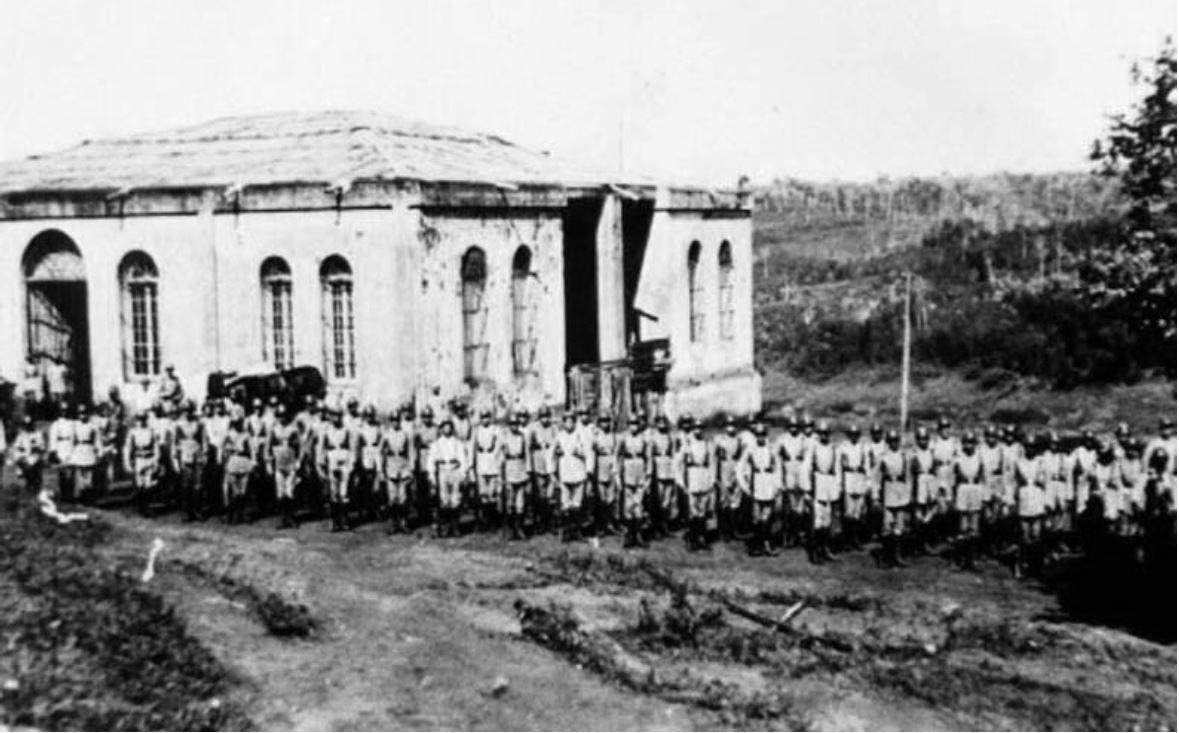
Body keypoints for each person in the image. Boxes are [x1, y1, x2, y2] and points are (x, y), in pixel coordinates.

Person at [738, 420, 780, 557]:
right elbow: (740, 468)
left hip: (768, 483)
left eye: (763, 435)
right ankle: (755, 545)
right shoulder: (750, 450)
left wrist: (777, 485)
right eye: (758, 435)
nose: (760, 438)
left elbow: (778, 468)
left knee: (767, 517)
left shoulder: (771, 449)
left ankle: (766, 544)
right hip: (756, 484)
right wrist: (745, 486)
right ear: (755, 436)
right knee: (756, 518)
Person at [677, 416, 714, 551]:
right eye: (695, 428)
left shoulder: (707, 444)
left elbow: (711, 464)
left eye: (700, 428)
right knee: (693, 510)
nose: (698, 430)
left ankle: (701, 537)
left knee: (702, 510)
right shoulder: (687, 445)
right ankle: (692, 538)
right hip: (692, 477)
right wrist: (681, 481)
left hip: (703, 477)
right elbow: (678, 463)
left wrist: (711, 480)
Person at [551, 412, 589, 542]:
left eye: (571, 421)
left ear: (575, 422)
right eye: (566, 421)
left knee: (577, 504)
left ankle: (577, 532)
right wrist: (552, 473)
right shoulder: (560, 436)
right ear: (563, 422)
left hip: (578, 472)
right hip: (565, 473)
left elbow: (588, 452)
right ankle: (566, 532)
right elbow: (551, 453)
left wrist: (580, 452)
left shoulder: (580, 434)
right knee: (565, 504)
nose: (569, 424)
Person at [1012, 433, 1044, 578]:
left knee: (1036, 535)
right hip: (1024, 499)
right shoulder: (1018, 462)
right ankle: (1020, 563)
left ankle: (1034, 565)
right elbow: (1012, 482)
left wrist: (1047, 502)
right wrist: (1011, 499)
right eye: (1028, 447)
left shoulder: (1041, 462)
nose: (1030, 450)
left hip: (1037, 499)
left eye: (1033, 447)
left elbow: (1046, 482)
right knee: (1024, 535)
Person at [429, 418, 468, 538]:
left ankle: (455, 526)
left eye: (449, 426)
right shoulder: (436, 444)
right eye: (444, 426)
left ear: (452, 428)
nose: (447, 429)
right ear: (441, 429)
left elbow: (463, 460)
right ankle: (445, 527)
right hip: (442, 470)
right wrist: (432, 476)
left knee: (455, 500)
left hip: (454, 469)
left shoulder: (458, 443)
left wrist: (462, 474)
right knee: (444, 500)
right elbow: (431, 461)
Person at [807, 421, 840, 564]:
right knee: (817, 521)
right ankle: (815, 552)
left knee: (827, 521)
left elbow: (837, 470)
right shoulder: (813, 448)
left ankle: (825, 549)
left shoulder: (833, 448)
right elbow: (806, 468)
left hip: (829, 486)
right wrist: (808, 489)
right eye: (821, 434)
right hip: (818, 484)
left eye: (826, 433)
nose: (824, 436)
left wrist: (838, 488)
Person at [318, 408, 355, 532]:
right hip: (332, 459)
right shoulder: (326, 429)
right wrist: (320, 463)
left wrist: (352, 463)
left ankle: (344, 519)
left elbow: (352, 447)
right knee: (333, 493)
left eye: (338, 415)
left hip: (344, 460)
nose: (336, 418)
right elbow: (321, 447)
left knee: (344, 493)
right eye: (333, 415)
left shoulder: (346, 429)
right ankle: (334, 521)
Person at [952, 431, 985, 570]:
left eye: (971, 443)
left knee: (974, 527)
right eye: (966, 443)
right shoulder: (958, 458)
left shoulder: (979, 457)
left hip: (976, 489)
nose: (969, 446)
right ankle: (959, 559)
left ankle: (973, 560)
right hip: (962, 489)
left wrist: (984, 496)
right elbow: (952, 479)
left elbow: (983, 478)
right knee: (963, 527)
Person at [877, 429, 910, 568]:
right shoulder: (883, 457)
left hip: (900, 490)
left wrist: (908, 495)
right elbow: (876, 477)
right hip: (888, 489)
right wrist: (875, 495)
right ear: (888, 442)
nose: (894, 444)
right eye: (891, 441)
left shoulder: (904, 456)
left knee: (899, 527)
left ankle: (898, 556)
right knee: (887, 526)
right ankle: (886, 557)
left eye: (896, 441)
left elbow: (908, 477)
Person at [379, 407, 415, 535]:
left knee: (403, 498)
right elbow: (380, 452)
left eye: (397, 420)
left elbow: (411, 452)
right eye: (393, 420)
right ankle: (394, 524)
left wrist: (411, 469)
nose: (395, 422)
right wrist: (381, 470)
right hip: (391, 466)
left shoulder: (405, 434)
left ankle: (404, 523)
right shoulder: (386, 434)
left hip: (403, 465)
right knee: (392, 498)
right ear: (390, 421)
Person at [619, 414, 651, 549]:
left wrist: (648, 474)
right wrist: (617, 475)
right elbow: (617, 456)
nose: (634, 426)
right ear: (628, 425)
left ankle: (638, 535)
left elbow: (648, 457)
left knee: (639, 505)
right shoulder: (623, 438)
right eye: (631, 424)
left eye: (636, 424)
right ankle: (629, 535)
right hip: (627, 470)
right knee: (628, 506)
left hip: (640, 470)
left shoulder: (644, 439)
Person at [778, 416, 810, 549]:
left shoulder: (804, 440)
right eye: (791, 426)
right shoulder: (783, 439)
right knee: (788, 510)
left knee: (800, 509)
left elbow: (808, 460)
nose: (794, 429)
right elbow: (777, 459)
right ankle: (788, 536)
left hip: (801, 477)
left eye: (796, 426)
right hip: (788, 476)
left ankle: (798, 535)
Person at [269, 403, 302, 529]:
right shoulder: (274, 429)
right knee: (280, 492)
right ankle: (282, 518)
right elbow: (268, 445)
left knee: (290, 492)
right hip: (278, 462)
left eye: (284, 416)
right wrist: (268, 461)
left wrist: (299, 460)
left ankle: (291, 517)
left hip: (291, 462)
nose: (282, 418)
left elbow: (301, 446)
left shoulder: (293, 429)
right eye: (279, 416)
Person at [589, 412, 621, 537]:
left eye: (607, 421)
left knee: (611, 498)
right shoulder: (596, 435)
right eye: (602, 421)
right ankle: (600, 525)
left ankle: (609, 523)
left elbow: (616, 452)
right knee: (600, 498)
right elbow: (591, 450)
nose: (605, 424)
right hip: (600, 464)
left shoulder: (613, 436)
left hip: (611, 465)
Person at [501, 411, 532, 540]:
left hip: (520, 468)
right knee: (510, 502)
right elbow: (501, 456)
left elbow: (527, 454)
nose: (514, 426)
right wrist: (501, 474)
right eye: (512, 424)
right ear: (508, 425)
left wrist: (528, 471)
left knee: (521, 502)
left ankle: (519, 528)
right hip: (509, 468)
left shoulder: (522, 436)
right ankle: (510, 529)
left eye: (516, 424)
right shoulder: (504, 437)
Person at [839, 424, 870, 549]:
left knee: (858, 512)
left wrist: (868, 484)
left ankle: (856, 538)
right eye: (851, 434)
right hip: (848, 480)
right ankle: (847, 538)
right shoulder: (843, 447)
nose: (854, 437)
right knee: (848, 512)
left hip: (859, 480)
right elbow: (840, 466)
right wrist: (840, 484)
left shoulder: (863, 448)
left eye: (856, 434)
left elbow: (867, 467)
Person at [173, 401, 206, 521]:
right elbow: (175, 443)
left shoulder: (199, 424)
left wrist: (205, 453)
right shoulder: (179, 425)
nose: (187, 413)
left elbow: (203, 439)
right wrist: (175, 458)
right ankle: (186, 512)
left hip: (198, 454)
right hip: (185, 455)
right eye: (185, 410)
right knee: (186, 485)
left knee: (198, 485)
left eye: (189, 410)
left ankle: (197, 510)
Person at [713, 416, 744, 542]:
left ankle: (733, 529)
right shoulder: (720, 440)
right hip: (724, 469)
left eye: (733, 425)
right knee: (723, 501)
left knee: (735, 501)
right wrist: (716, 475)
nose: (731, 428)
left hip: (736, 470)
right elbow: (715, 458)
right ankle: (723, 530)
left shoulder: (739, 440)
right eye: (728, 425)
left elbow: (741, 459)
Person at [124, 411, 161, 516]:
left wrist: (156, 460)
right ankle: (142, 507)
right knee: (140, 485)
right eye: (139, 419)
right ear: (136, 420)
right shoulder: (133, 432)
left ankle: (147, 506)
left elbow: (156, 447)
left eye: (143, 419)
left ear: (146, 419)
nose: (141, 422)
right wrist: (127, 462)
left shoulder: (151, 431)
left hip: (149, 459)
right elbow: (128, 448)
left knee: (149, 486)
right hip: (139, 459)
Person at [930, 417, 959, 544]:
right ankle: (937, 535)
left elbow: (958, 457)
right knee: (938, 505)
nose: (945, 431)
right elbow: (929, 457)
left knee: (950, 505)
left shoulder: (954, 442)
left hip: (950, 472)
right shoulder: (935, 442)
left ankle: (949, 533)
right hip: (938, 472)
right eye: (943, 428)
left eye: (947, 428)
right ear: (939, 430)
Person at [472, 409, 503, 531]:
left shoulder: (496, 430)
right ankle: (484, 520)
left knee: (492, 494)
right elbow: (473, 448)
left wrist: (497, 460)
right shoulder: (477, 431)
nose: (485, 420)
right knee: (483, 494)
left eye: (487, 417)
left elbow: (499, 446)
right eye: (483, 417)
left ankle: (493, 521)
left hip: (492, 463)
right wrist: (472, 465)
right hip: (481, 463)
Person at [648, 415, 678, 539]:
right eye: (659, 422)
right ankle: (656, 528)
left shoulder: (671, 437)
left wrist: (675, 470)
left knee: (667, 500)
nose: (662, 425)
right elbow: (649, 455)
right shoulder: (652, 437)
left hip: (669, 468)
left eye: (664, 422)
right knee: (657, 500)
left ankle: (664, 526)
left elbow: (674, 453)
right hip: (658, 468)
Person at [222, 414, 254, 525]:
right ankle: (231, 514)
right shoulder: (228, 433)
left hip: (244, 460)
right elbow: (221, 446)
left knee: (243, 490)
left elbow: (252, 449)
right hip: (233, 460)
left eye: (239, 422)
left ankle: (241, 513)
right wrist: (224, 454)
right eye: (235, 423)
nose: (237, 425)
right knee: (234, 490)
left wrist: (253, 460)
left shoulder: (246, 435)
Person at [909, 426, 937, 554]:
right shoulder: (913, 454)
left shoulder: (931, 453)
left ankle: (926, 542)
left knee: (929, 515)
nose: (923, 442)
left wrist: (934, 489)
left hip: (929, 483)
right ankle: (916, 545)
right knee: (917, 516)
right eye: (920, 439)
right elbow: (910, 474)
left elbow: (934, 471)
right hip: (918, 483)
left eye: (925, 439)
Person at [529, 407, 557, 534]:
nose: (545, 419)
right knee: (540, 495)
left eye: (546, 416)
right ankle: (540, 522)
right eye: (542, 417)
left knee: (550, 495)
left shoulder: (554, 428)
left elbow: (558, 444)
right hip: (538, 462)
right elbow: (529, 446)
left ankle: (550, 523)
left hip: (551, 464)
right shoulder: (534, 428)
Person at [354, 405, 383, 524]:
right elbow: (357, 444)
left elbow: (381, 441)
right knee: (364, 483)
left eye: (371, 416)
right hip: (365, 452)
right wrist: (358, 459)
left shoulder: (378, 427)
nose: (369, 418)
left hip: (375, 452)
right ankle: (363, 510)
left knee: (376, 484)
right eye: (367, 416)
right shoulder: (360, 428)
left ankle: (375, 509)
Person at [69, 403, 103, 505]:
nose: (82, 416)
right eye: (80, 413)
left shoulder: (93, 426)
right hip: (79, 449)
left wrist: (100, 452)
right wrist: (70, 453)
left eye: (84, 413)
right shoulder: (74, 425)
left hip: (89, 450)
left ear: (88, 414)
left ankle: (89, 497)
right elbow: (72, 440)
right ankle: (80, 496)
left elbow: (97, 440)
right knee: (79, 475)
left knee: (89, 476)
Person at [10, 415, 45, 497]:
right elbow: (16, 447)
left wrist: (37, 449)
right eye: (26, 425)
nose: (28, 427)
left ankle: (36, 490)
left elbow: (42, 447)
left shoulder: (37, 434)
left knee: (36, 476)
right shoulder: (21, 435)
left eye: (30, 425)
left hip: (35, 458)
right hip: (25, 459)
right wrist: (20, 456)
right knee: (29, 475)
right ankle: (29, 489)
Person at [48, 401, 76, 501]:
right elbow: (52, 439)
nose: (64, 412)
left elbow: (74, 437)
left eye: (65, 410)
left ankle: (71, 494)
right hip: (61, 447)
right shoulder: (56, 424)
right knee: (63, 473)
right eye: (62, 410)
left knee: (71, 473)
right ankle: (64, 494)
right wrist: (54, 451)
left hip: (69, 446)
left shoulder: (72, 423)